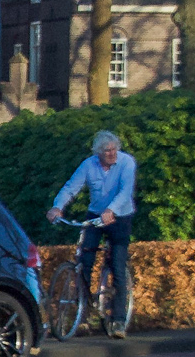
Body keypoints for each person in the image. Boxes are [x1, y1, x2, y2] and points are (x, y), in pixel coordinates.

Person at [47, 130, 137, 336]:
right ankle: (83, 312)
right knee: (84, 260)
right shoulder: (89, 165)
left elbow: (125, 191)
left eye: (114, 149)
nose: (112, 153)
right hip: (96, 213)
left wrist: (111, 210)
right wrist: (57, 207)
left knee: (117, 264)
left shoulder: (126, 163)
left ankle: (118, 321)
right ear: (98, 153)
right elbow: (72, 187)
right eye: (107, 151)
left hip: (120, 215)